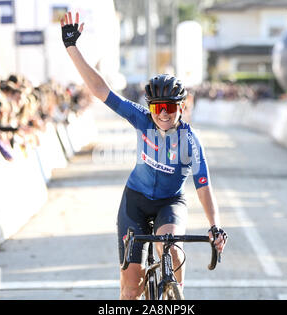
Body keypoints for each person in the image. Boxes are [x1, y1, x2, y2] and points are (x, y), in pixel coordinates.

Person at [61, 11, 228, 300]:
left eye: (170, 108)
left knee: (172, 249)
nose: (163, 115)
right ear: (150, 108)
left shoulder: (190, 141)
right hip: (135, 202)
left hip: (169, 203)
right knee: (130, 288)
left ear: (182, 108)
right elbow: (102, 90)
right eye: (157, 108)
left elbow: (203, 187)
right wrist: (72, 48)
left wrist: (214, 225)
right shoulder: (141, 120)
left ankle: (176, 296)